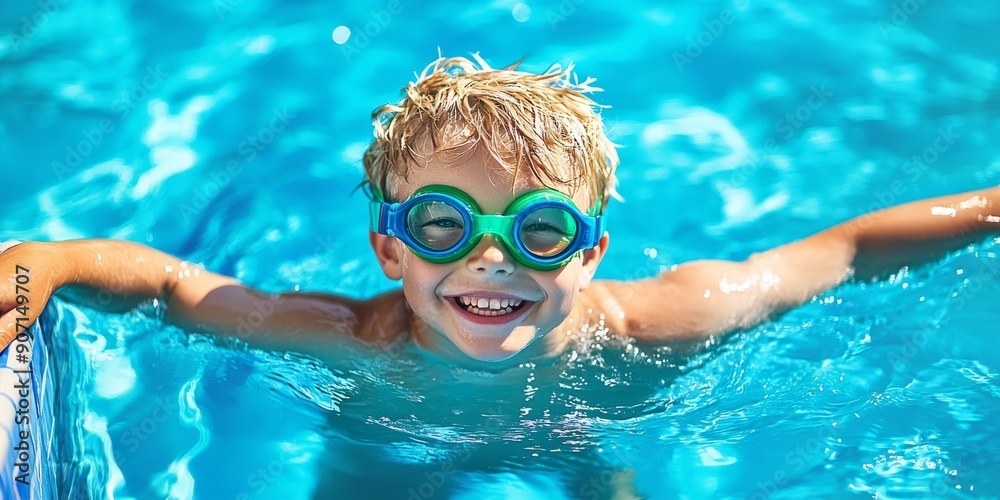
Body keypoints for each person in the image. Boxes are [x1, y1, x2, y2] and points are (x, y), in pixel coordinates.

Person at [1, 55, 998, 369]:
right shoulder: (351, 339)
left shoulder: (665, 320)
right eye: (440, 225)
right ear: (387, 249)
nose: (489, 258)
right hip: (385, 436)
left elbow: (848, 245)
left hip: (581, 429)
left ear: (591, 253)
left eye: (539, 229)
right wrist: (36, 263)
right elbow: (171, 280)